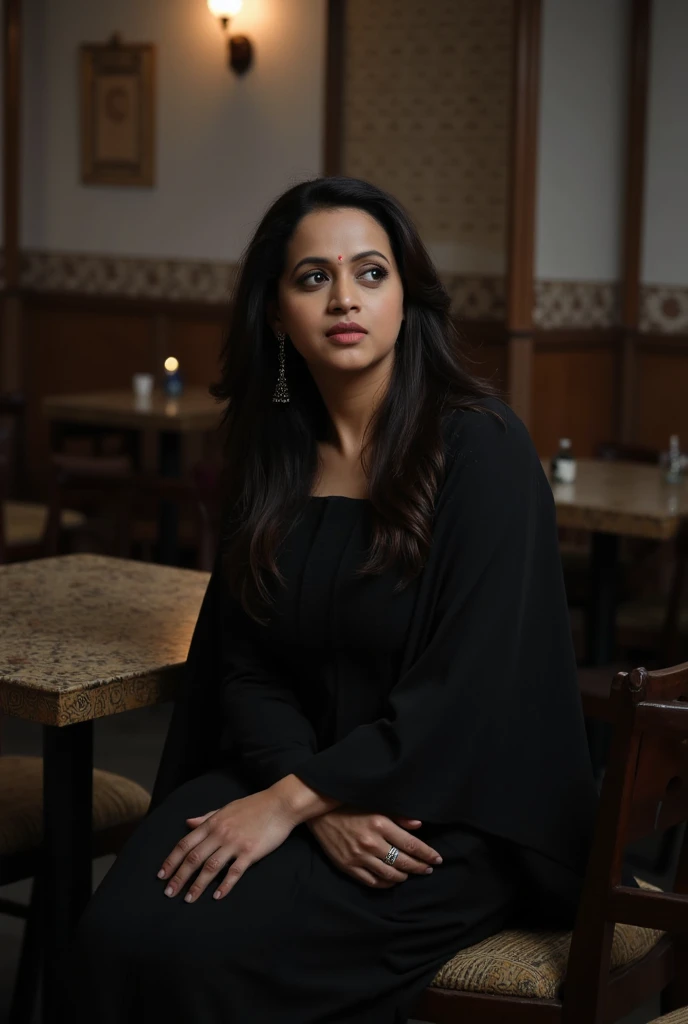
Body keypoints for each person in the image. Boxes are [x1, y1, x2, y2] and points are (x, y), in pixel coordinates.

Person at [62, 176, 598, 1024]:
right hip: (291, 775)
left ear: (404, 295)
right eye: (313, 277)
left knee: (202, 961)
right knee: (116, 930)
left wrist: (295, 803)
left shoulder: (482, 446)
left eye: (371, 273)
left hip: (443, 819)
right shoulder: (271, 456)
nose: (344, 297)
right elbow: (246, 666)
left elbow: (469, 693)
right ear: (276, 314)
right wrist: (308, 803)